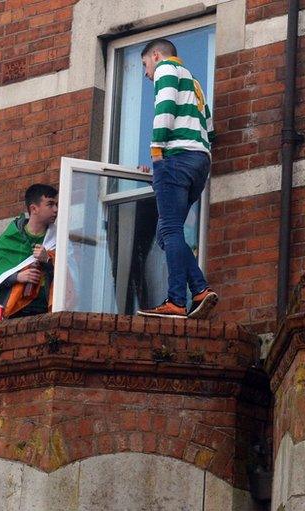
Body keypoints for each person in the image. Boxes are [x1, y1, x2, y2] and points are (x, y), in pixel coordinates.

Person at [136, 38, 219, 319]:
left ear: (156, 56)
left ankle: (175, 301)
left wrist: (157, 150)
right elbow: (210, 128)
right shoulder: (194, 81)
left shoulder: (166, 70)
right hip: (199, 162)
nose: (146, 73)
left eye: (145, 65)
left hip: (176, 158)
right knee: (165, 233)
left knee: (169, 231)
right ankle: (199, 289)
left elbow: (165, 107)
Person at [0, 184, 59, 323]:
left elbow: (69, 277)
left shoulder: (58, 238)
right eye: (50, 204)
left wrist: (48, 260)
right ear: (34, 208)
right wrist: (18, 276)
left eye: (56, 204)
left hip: (46, 309)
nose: (55, 209)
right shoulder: (11, 237)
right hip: (14, 311)